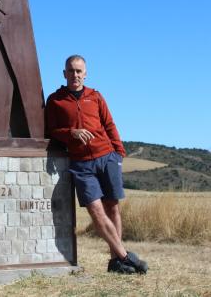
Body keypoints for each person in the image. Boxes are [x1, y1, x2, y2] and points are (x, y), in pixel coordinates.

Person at [45, 55, 148, 275]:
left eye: (79, 71)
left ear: (86, 73)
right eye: (71, 71)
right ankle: (125, 256)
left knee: (112, 208)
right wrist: (70, 133)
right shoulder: (55, 100)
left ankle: (115, 262)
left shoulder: (96, 96)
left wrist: (119, 153)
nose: (75, 75)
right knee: (96, 211)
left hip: (106, 156)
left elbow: (109, 124)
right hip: (80, 164)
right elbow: (51, 130)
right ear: (64, 73)